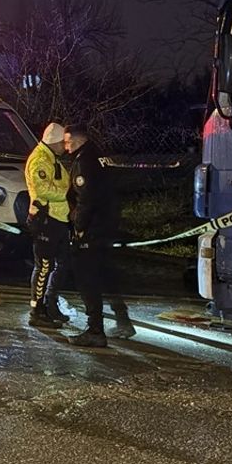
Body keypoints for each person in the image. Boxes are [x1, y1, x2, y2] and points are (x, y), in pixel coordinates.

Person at [64, 124, 135, 347]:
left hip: (92, 229)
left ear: (76, 140)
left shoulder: (84, 161)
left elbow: (86, 199)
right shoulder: (97, 155)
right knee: (106, 274)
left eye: (67, 141)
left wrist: (79, 227)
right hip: (105, 225)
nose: (65, 146)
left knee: (88, 279)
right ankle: (123, 319)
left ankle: (95, 329)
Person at [25, 121, 72, 326]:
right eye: (64, 143)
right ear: (55, 142)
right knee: (44, 266)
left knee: (59, 264)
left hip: (58, 219)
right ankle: (37, 311)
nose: (66, 147)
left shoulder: (52, 158)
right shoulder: (39, 160)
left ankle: (49, 304)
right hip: (46, 220)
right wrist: (68, 196)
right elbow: (43, 189)